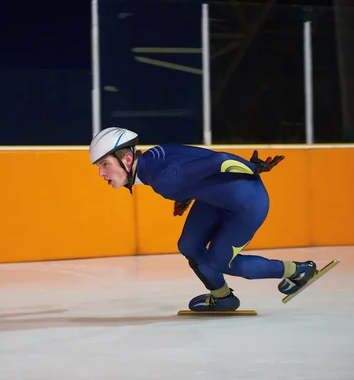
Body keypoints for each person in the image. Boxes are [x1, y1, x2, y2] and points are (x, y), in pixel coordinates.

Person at [89, 126, 318, 312]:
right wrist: (184, 195)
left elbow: (219, 161)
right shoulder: (153, 158)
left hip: (247, 204)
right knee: (189, 245)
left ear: (127, 158)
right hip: (216, 199)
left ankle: (297, 271)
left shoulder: (163, 180)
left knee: (221, 261)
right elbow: (188, 166)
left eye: (105, 164)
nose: (101, 173)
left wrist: (253, 168)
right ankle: (223, 298)